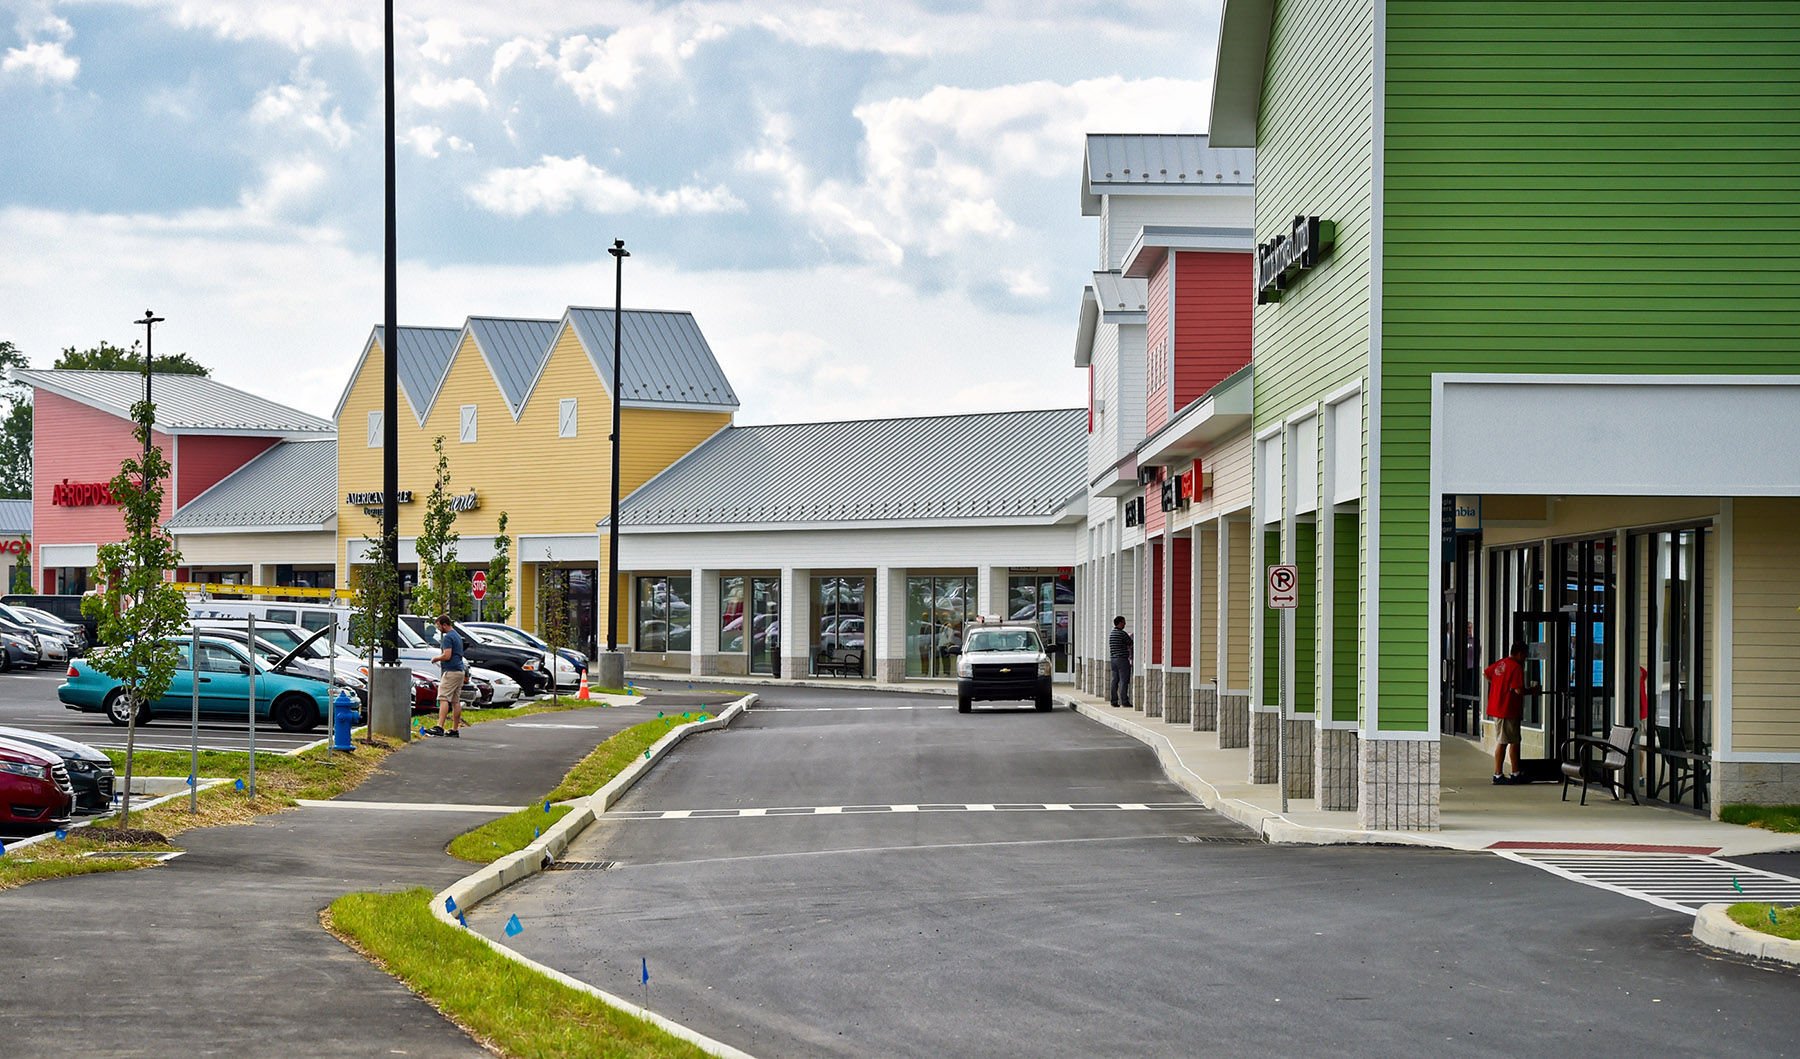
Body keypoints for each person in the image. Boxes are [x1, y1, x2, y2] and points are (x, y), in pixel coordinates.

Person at [1484, 639, 1540, 784]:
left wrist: (1498, 685)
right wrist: (1532, 691)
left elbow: (1486, 673)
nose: (1526, 659)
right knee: (1503, 741)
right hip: (1506, 708)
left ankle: (1516, 772)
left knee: (1514, 740)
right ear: (1520, 654)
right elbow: (1518, 690)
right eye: (1525, 655)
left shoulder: (1501, 663)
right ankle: (1498, 775)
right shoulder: (1516, 667)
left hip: (1500, 707)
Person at [425, 615, 467, 738]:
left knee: (443, 698)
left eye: (438, 626)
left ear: (444, 624)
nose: (438, 629)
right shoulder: (457, 636)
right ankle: (454, 729)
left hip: (451, 671)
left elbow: (447, 655)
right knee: (455, 701)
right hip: (460, 670)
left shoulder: (448, 637)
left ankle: (439, 727)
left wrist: (436, 658)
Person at [1108, 615, 1134, 709]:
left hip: (1113, 659)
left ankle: (1114, 701)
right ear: (1119, 623)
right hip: (1122, 659)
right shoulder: (1122, 633)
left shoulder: (1112, 633)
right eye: (1123, 622)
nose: (1125, 624)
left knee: (1115, 680)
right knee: (1124, 681)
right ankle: (1124, 701)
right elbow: (1130, 643)